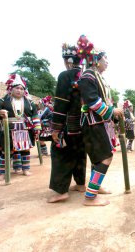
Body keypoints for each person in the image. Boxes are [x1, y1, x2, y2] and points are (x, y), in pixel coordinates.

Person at [77, 36, 123, 206]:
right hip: (92, 123)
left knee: (98, 158)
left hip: (98, 123)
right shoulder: (88, 75)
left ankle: (95, 188)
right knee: (105, 157)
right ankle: (90, 197)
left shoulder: (96, 75)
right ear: (96, 59)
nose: (107, 62)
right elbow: (92, 101)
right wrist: (112, 111)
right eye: (105, 59)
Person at [48, 42, 88, 203]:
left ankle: (61, 191)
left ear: (69, 60)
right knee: (79, 153)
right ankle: (80, 184)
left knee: (61, 153)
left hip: (69, 125)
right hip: (85, 126)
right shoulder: (88, 75)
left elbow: (61, 103)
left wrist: (56, 128)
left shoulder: (65, 76)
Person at [0, 74, 41, 181]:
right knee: (6, 150)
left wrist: (37, 127)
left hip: (24, 128)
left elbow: (35, 114)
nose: (19, 90)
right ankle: (2, 172)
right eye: (17, 88)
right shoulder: (3, 100)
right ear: (11, 89)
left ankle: (25, 169)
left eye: (21, 89)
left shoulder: (29, 102)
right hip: (8, 128)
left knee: (25, 149)